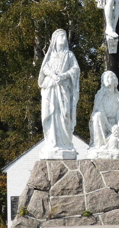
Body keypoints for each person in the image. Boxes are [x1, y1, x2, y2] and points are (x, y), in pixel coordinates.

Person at [38, 29, 80, 158]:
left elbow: (75, 69)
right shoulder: (50, 55)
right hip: (51, 88)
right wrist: (53, 75)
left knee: (64, 115)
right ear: (55, 39)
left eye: (65, 36)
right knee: (51, 113)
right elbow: (44, 68)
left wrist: (63, 76)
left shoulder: (69, 55)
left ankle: (64, 143)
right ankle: (52, 142)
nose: (64, 38)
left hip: (63, 89)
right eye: (61, 36)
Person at [88, 71, 119, 158]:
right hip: (102, 124)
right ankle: (98, 145)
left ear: (115, 81)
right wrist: (110, 127)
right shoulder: (100, 95)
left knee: (115, 142)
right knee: (97, 115)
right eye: (105, 78)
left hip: (115, 125)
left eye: (109, 77)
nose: (106, 79)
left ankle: (114, 144)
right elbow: (100, 111)